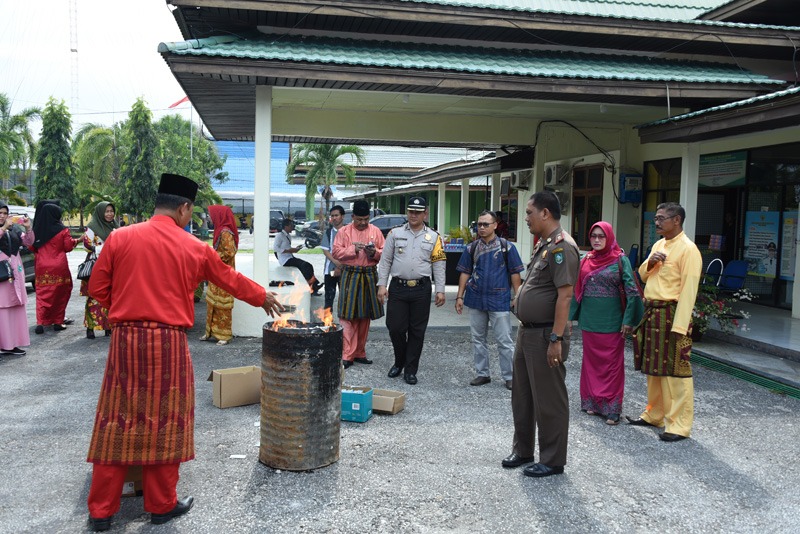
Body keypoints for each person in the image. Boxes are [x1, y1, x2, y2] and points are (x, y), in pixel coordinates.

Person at [85, 174, 283, 532]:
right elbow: (229, 279)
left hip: (126, 340)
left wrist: (127, 308)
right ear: (184, 208)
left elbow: (97, 287)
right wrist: (262, 296)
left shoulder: (120, 237)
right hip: (168, 341)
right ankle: (161, 505)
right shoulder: (194, 247)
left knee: (117, 417)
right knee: (167, 418)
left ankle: (101, 512)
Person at [502, 191, 578, 478]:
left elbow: (566, 296)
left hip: (547, 334)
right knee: (522, 397)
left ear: (545, 213)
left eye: (530, 212)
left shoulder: (562, 247)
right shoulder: (544, 245)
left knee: (549, 399)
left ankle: (552, 459)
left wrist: (556, 339)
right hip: (527, 332)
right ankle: (523, 450)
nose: (526, 217)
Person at [628, 202, 702, 442]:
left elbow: (689, 291)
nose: (656, 222)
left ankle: (679, 425)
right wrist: (650, 262)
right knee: (653, 369)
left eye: (661, 218)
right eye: (656, 218)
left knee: (675, 372)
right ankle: (655, 413)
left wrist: (681, 326)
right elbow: (642, 274)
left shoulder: (689, 250)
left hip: (671, 315)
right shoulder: (659, 244)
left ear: (677, 220)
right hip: (652, 312)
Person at [569, 221, 644, 425]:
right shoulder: (586, 260)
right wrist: (569, 317)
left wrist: (628, 320)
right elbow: (578, 291)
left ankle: (612, 408)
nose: (597, 240)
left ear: (609, 237)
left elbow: (631, 291)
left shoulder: (620, 260)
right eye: (593, 236)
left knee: (611, 366)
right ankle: (592, 403)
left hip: (613, 323)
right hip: (589, 322)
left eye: (601, 236)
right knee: (591, 364)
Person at [377, 196, 447, 385]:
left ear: (425, 214)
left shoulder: (434, 237)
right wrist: (382, 285)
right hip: (398, 288)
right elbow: (385, 261)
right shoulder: (394, 234)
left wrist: (440, 289)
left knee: (417, 331)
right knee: (395, 327)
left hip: (421, 289)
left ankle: (410, 369)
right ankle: (399, 361)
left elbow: (439, 264)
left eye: (418, 212)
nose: (413, 215)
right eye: (411, 211)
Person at [455, 210, 524, 390]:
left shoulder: (506, 247)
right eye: (479, 224)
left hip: (499, 299)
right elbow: (465, 272)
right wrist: (459, 296)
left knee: (504, 340)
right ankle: (482, 374)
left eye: (486, 224)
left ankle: (509, 376)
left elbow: (515, 273)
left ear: (495, 225)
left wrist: (517, 296)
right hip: (476, 298)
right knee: (478, 339)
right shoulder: (471, 248)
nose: (482, 227)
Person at [332, 200, 385, 369]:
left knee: (365, 316)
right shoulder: (344, 232)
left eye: (366, 219)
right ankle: (347, 355)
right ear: (352, 216)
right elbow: (336, 252)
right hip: (350, 274)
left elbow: (385, 254)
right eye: (359, 219)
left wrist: (374, 253)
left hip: (369, 275)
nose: (362, 223)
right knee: (347, 316)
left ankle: (360, 353)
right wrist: (352, 250)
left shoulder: (376, 231)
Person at [30, 203, 78, 334]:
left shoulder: (37, 230)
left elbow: (31, 247)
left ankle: (40, 322)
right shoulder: (62, 230)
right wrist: (78, 240)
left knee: (42, 294)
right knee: (60, 293)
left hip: (42, 266)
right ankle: (58, 321)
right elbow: (68, 246)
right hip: (59, 266)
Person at [200, 205, 240, 345]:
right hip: (216, 272)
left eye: (211, 215)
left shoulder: (225, 233)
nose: (209, 218)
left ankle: (224, 335)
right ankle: (210, 332)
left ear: (219, 216)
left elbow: (230, 252)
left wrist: (213, 257)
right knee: (212, 301)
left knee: (223, 304)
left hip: (224, 273)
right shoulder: (219, 230)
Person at [0, 204, 34, 356]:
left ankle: (12, 343)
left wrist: (27, 228)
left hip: (15, 270)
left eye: (5, 213)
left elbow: (28, 242)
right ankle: (3, 344)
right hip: (2, 273)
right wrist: (3, 228)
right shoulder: (5, 227)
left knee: (16, 304)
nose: (2, 216)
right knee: (3, 307)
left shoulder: (14, 228)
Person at [81, 202, 118, 339]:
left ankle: (108, 326)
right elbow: (86, 245)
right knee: (94, 296)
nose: (109, 214)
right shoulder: (92, 227)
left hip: (111, 265)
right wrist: (102, 248)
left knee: (110, 296)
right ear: (100, 212)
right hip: (96, 265)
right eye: (106, 211)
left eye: (111, 211)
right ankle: (90, 328)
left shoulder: (115, 226)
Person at [274, 218, 322, 295]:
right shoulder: (279, 236)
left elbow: (288, 248)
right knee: (305, 265)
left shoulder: (288, 236)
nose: (293, 227)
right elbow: (276, 248)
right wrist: (290, 250)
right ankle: (310, 287)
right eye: (291, 226)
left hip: (290, 257)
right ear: (286, 226)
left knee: (308, 266)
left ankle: (313, 286)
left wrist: (296, 249)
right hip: (285, 260)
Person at [320, 205, 345, 313]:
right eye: (332, 216)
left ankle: (345, 323)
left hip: (345, 270)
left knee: (345, 297)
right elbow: (325, 250)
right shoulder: (328, 232)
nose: (334, 218)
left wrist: (341, 265)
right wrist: (335, 262)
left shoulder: (348, 231)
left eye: (336, 215)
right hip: (330, 270)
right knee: (329, 297)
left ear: (342, 216)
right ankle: (327, 323)